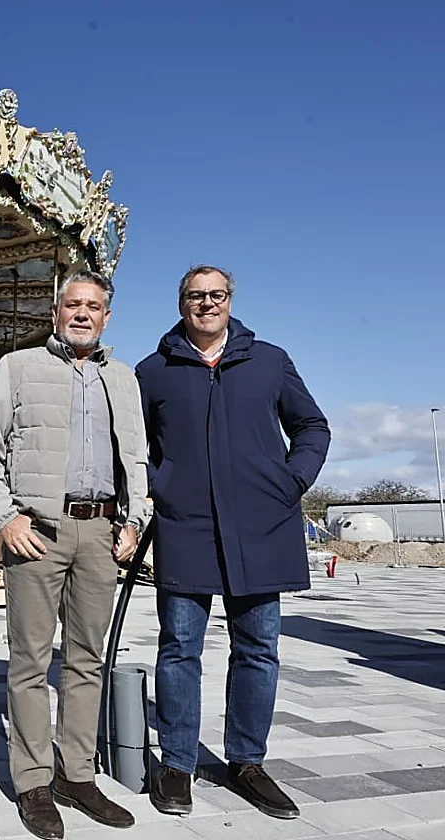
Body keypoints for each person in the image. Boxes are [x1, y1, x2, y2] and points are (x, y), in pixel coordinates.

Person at [135, 265, 330, 820]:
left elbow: (313, 426)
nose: (206, 304)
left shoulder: (269, 360)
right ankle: (176, 762)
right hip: (187, 528)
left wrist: (291, 479)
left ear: (230, 300)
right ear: (180, 303)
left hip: (261, 529)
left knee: (259, 649)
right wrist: (162, 484)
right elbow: (134, 446)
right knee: (178, 649)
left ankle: (247, 762)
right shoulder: (155, 371)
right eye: (196, 296)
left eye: (216, 295)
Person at [0, 269, 148, 839]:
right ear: (55, 312)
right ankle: (32, 782)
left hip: (101, 534)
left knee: (86, 659)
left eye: (93, 307)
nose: (82, 314)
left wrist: (135, 521)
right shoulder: (17, 368)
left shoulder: (122, 378)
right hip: (38, 532)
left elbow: (137, 460)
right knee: (28, 661)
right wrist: (5, 516)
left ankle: (76, 773)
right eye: (73, 305)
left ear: (106, 317)